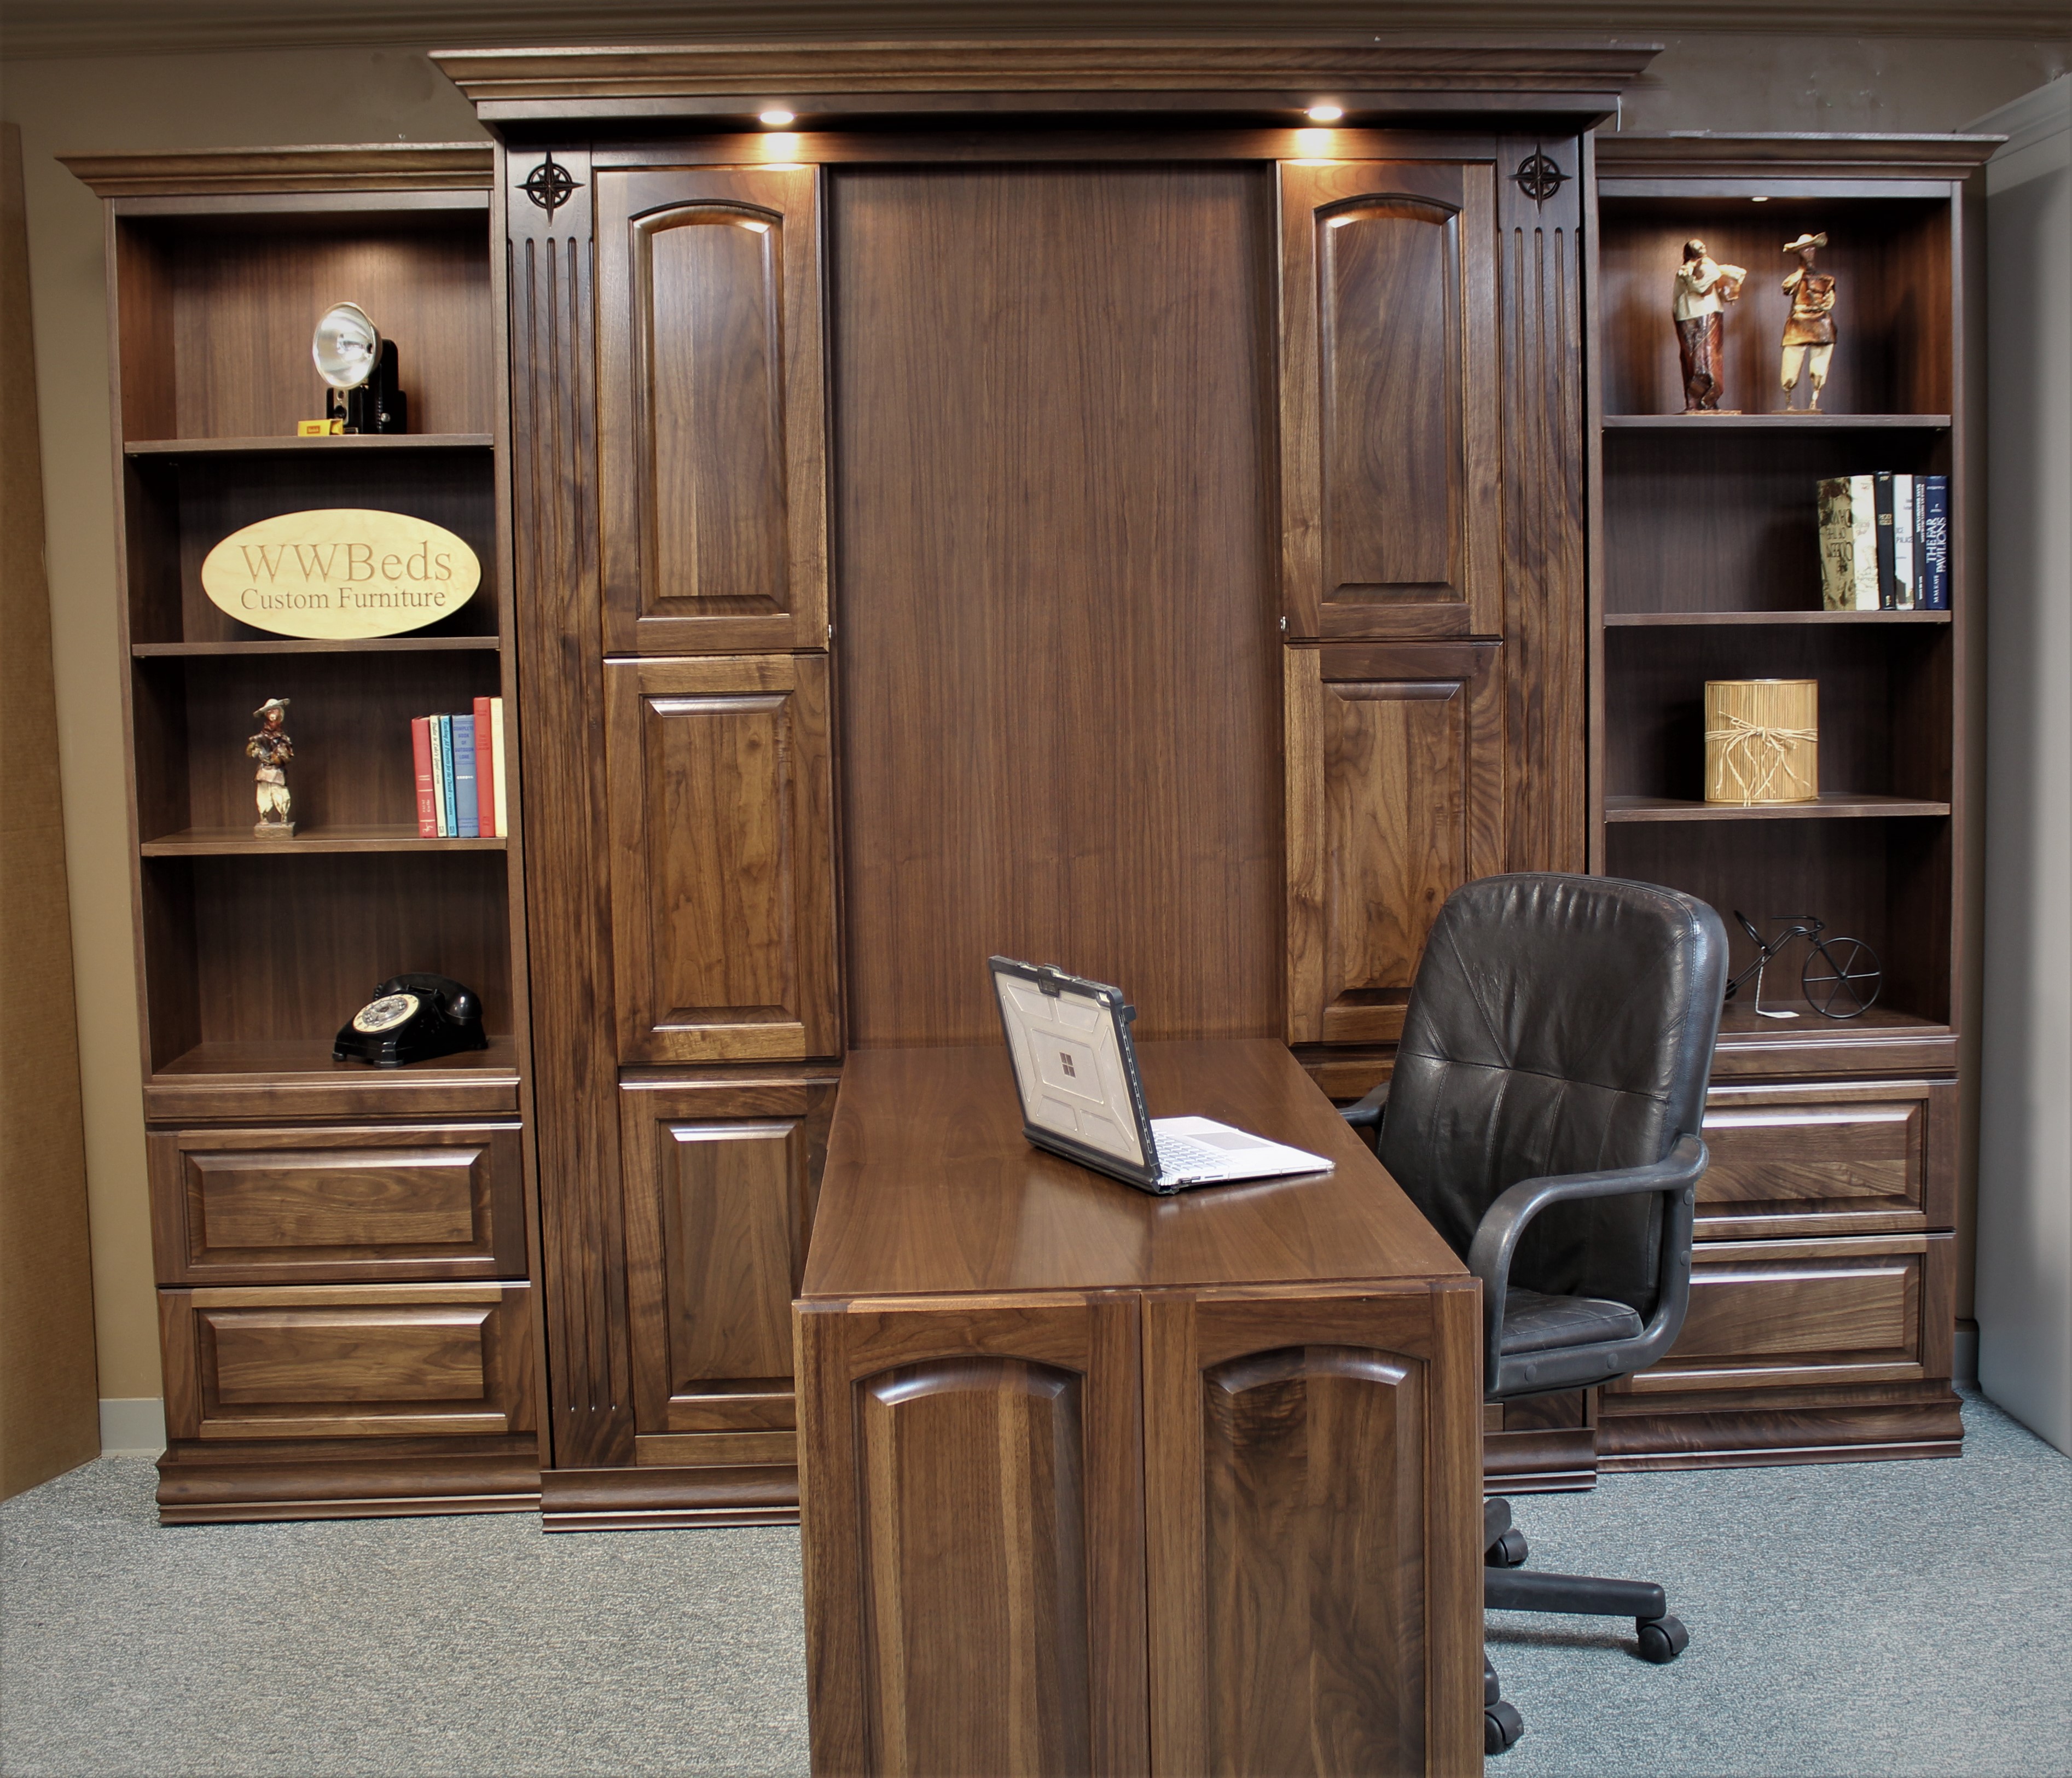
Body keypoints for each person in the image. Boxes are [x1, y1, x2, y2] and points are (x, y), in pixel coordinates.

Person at [1673, 239, 1745, 412]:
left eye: (1702, 245)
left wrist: (1726, 279)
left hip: (1712, 313)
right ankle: (1696, 402)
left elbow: (1734, 276)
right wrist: (1716, 275)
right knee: (1698, 359)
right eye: (1697, 246)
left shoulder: (1709, 264)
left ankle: (1710, 401)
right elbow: (1699, 288)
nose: (1702, 248)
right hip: (1693, 316)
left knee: (1712, 357)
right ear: (1690, 251)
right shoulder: (1686, 270)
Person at [1779, 232, 1836, 411]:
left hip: (1821, 323)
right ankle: (1789, 400)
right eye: (1805, 250)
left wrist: (1825, 303)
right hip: (1798, 322)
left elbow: (1829, 301)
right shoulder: (1795, 279)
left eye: (1812, 249)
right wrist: (1800, 273)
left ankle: (1814, 400)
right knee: (1791, 362)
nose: (1809, 253)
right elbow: (1787, 288)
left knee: (1820, 365)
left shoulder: (1826, 280)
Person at [246, 696, 294, 834]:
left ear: (280, 713)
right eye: (270, 711)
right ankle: (264, 817)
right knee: (263, 795)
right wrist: (254, 749)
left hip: (277, 771)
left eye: (275, 711)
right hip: (264, 770)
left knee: (281, 795)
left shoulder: (283, 738)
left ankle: (284, 817)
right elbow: (253, 753)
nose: (273, 714)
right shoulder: (261, 737)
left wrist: (280, 756)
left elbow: (288, 756)